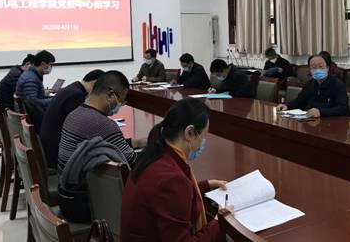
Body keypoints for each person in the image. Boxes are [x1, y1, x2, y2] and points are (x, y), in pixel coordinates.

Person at [121, 98, 228, 242]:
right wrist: (219, 222)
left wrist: (206, 185)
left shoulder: (154, 154)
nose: (203, 142)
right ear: (189, 132)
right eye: (203, 136)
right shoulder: (171, 178)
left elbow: (166, 198)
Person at [58, 70, 147, 223]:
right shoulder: (101, 123)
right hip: (86, 204)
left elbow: (109, 144)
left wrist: (137, 142)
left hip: (67, 197)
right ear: (111, 95)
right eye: (121, 101)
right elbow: (132, 163)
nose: (120, 106)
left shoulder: (75, 113)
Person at [40, 69, 105, 168]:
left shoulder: (73, 88)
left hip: (50, 144)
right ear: (95, 83)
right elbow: (77, 128)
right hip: (56, 152)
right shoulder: (76, 95)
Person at [276, 54, 349, 118]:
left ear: (327, 68)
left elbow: (343, 108)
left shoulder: (338, 85)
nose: (318, 70)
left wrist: (321, 112)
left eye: (321, 67)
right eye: (314, 67)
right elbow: (299, 101)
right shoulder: (309, 84)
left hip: (333, 121)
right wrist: (287, 106)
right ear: (310, 70)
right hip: (314, 120)